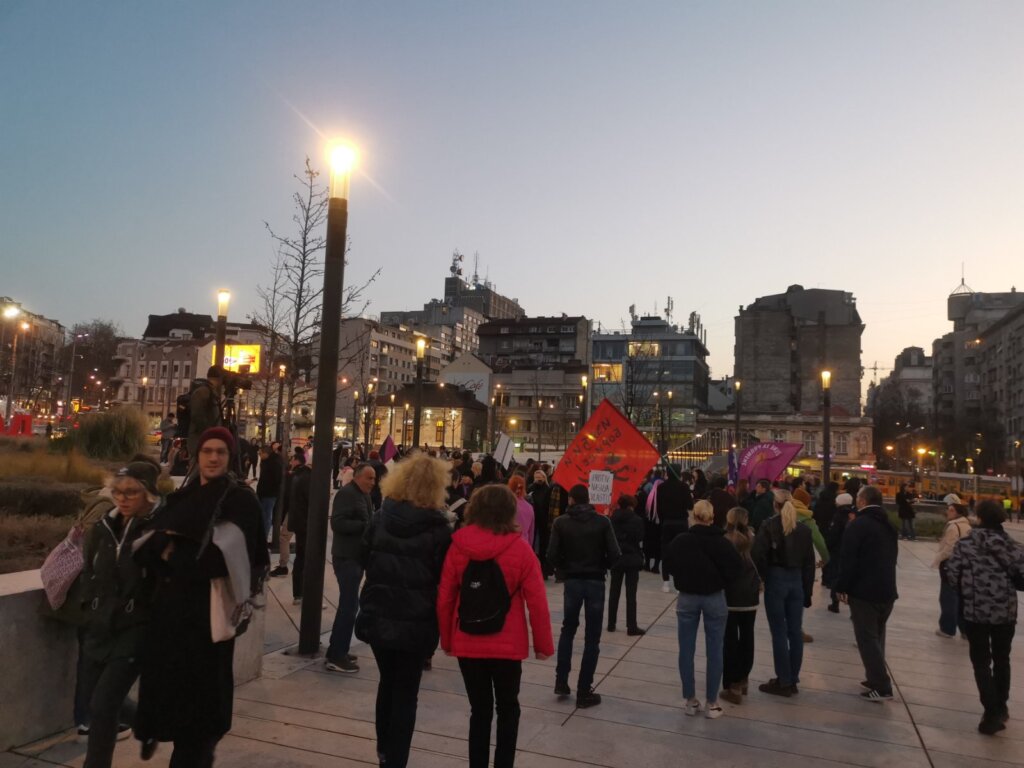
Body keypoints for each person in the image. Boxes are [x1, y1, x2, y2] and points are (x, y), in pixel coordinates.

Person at [134, 427, 268, 766]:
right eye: (207, 451)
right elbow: (146, 545)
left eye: (220, 452)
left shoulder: (239, 501)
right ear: (197, 455)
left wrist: (172, 553)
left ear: (231, 457)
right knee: (176, 704)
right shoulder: (186, 494)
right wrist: (171, 550)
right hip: (171, 620)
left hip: (209, 622)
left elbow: (222, 559)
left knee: (202, 716)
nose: (212, 458)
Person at [437, 485, 554, 768]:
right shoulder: (521, 548)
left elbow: (446, 595)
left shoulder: (458, 545)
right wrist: (542, 645)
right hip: (507, 644)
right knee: (508, 709)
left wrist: (447, 639)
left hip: (468, 639)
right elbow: (537, 602)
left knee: (479, 711)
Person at [354, 453, 452, 768]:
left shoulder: (381, 517)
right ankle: (396, 760)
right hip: (416, 620)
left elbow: (363, 556)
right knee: (406, 692)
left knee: (387, 683)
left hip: (380, 612)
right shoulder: (439, 528)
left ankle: (384, 750)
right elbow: (444, 576)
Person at [79, 462, 163, 768]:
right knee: (94, 699)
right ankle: (145, 724)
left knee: (103, 706)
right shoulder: (102, 527)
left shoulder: (158, 529)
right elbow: (89, 569)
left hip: (134, 628)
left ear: (148, 494)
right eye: (118, 491)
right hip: (100, 625)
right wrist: (89, 607)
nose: (123, 498)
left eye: (132, 492)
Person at [946, 499, 1024, 734]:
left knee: (981, 662)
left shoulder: (966, 543)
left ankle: (990, 711)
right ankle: (1000, 706)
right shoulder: (1012, 546)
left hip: (975, 612)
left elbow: (952, 575)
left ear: (979, 518)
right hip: (1005, 613)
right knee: (1002, 659)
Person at [666, 499, 743, 719]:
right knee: (715, 649)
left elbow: (669, 564)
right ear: (711, 518)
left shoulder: (681, 541)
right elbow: (736, 568)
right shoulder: (722, 542)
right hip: (714, 597)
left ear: (694, 516)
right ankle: (712, 702)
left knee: (686, 650)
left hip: (687, 597)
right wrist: (720, 581)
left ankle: (690, 700)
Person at [547, 483, 620, 708]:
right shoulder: (602, 522)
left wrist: (564, 568)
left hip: (573, 580)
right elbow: (615, 554)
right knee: (592, 637)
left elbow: (550, 555)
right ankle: (583, 688)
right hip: (595, 580)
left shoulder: (561, 523)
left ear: (571, 500)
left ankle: (561, 680)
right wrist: (602, 565)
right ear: (588, 499)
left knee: (568, 630)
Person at [835, 484, 899, 703]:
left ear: (862, 501)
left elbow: (848, 559)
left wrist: (841, 586)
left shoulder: (858, 525)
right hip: (887, 590)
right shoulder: (888, 523)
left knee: (867, 638)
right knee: (878, 636)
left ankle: (881, 686)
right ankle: (874, 677)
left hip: (864, 591)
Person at [752, 489, 815, 697]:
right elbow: (809, 564)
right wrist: (807, 591)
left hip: (776, 579)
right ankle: (792, 677)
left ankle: (784, 679)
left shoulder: (769, 525)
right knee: (794, 632)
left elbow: (757, 554)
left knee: (778, 631)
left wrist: (762, 576)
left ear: (775, 505)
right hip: (796, 580)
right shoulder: (804, 530)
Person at [326, 463, 376, 673]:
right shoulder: (347, 494)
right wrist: (365, 526)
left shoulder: (362, 494)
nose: (372, 483)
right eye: (369, 478)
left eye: (374, 479)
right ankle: (336, 655)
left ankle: (340, 649)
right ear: (356, 477)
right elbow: (337, 523)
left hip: (356, 556)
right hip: (347, 557)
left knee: (350, 606)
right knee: (348, 607)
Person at [720, 507, 761, 706]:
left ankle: (731, 684)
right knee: (747, 637)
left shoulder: (725, 540)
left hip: (729, 597)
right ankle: (743, 678)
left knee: (729, 641)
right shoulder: (753, 538)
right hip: (750, 597)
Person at [932, 499, 972, 638]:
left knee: (948, 597)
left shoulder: (953, 527)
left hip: (951, 565)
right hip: (965, 566)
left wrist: (938, 559)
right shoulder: (967, 525)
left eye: (951, 510)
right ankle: (966, 630)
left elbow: (949, 548)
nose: (948, 512)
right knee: (963, 599)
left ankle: (947, 629)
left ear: (958, 512)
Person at [607, 494, 645, 635]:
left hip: (617, 557)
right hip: (632, 558)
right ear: (631, 506)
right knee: (631, 594)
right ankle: (631, 625)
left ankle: (611, 623)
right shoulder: (637, 520)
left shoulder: (612, 519)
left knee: (614, 592)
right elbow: (640, 537)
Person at [657, 470, 692, 593]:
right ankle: (679, 581)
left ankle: (666, 582)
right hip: (681, 523)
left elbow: (658, 507)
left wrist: (663, 521)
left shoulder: (661, 487)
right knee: (682, 552)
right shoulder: (684, 487)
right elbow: (690, 505)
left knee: (666, 551)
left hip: (667, 522)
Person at [823, 492, 856, 613]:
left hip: (838, 551)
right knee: (851, 578)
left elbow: (833, 534)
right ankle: (853, 607)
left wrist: (827, 547)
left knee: (836, 576)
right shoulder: (854, 514)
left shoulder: (838, 515)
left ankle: (835, 603)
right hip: (852, 551)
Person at [285, 450, 311, 605]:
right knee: (305, 558)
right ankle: (302, 593)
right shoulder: (307, 477)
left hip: (299, 522)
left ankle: (299, 593)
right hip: (306, 524)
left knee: (301, 557)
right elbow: (311, 501)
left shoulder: (297, 475)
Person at [185, 367, 223, 459]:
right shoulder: (204, 391)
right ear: (218, 379)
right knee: (197, 471)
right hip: (200, 442)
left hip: (203, 442)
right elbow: (197, 415)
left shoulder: (209, 391)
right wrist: (208, 432)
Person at [254, 444, 283, 541]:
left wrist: (267, 488)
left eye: (260, 454)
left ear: (266, 453)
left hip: (269, 494)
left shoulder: (274, 463)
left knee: (266, 515)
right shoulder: (267, 461)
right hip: (264, 492)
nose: (259, 456)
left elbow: (276, 479)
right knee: (264, 515)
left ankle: (263, 537)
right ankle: (261, 535)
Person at [508, 475, 535, 548]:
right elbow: (531, 532)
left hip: (509, 545)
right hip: (524, 544)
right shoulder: (529, 507)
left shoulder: (507, 504)